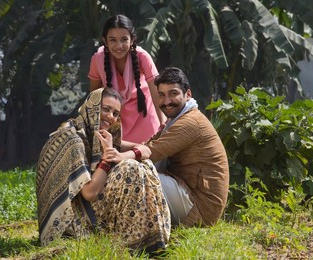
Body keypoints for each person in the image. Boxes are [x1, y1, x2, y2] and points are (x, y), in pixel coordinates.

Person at [36, 88, 170, 254]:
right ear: (92, 107)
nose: (110, 117)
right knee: (131, 168)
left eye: (115, 113)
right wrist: (107, 159)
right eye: (105, 109)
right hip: (71, 220)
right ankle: (133, 243)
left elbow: (145, 150)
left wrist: (119, 154)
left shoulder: (99, 134)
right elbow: (90, 193)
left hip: (88, 204)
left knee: (145, 164)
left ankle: (150, 239)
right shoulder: (73, 138)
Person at [145, 67, 229, 227]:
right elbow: (148, 145)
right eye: (161, 95)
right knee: (135, 169)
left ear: (187, 94)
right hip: (185, 192)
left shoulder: (190, 122)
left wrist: (115, 158)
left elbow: (150, 152)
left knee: (139, 174)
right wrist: (115, 145)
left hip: (201, 208)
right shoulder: (175, 119)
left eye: (173, 93)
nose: (166, 101)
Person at [88, 14, 166, 143]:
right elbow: (94, 97)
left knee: (149, 158)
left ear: (132, 39)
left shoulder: (143, 56)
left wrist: (163, 123)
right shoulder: (98, 58)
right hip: (114, 120)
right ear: (105, 40)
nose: (119, 46)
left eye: (124, 39)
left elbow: (157, 93)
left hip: (144, 115)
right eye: (113, 40)